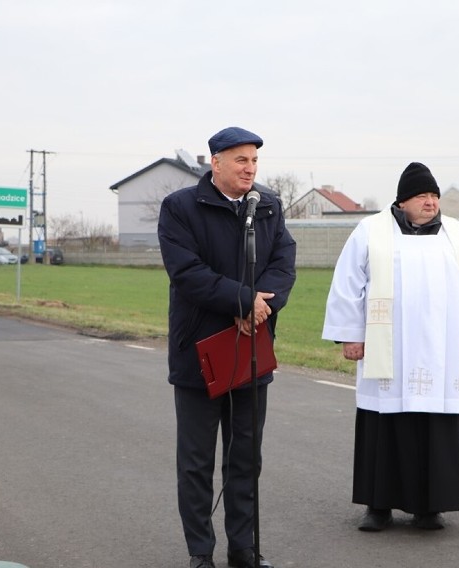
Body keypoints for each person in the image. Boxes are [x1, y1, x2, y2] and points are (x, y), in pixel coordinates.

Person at [322, 162, 459, 532]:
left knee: (434, 428)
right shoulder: (370, 231)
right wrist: (350, 334)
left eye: (435, 196)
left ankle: (430, 507)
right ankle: (378, 507)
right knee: (383, 426)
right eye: (423, 196)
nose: (431, 202)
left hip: (440, 351)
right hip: (388, 351)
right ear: (402, 202)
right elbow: (346, 283)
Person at [158, 127, 296, 568]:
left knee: (244, 461)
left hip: (251, 352)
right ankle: (201, 553)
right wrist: (242, 300)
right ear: (215, 162)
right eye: (240, 160)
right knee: (196, 464)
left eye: (254, 160)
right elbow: (187, 272)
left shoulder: (268, 206)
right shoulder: (180, 208)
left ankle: (244, 549)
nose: (250, 168)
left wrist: (259, 306)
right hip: (199, 352)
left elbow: (283, 264)